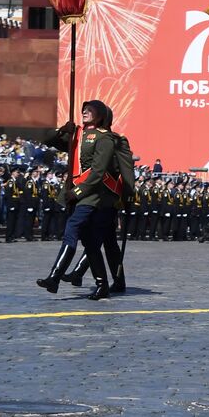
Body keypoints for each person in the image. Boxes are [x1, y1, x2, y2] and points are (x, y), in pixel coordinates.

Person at [36, 100, 132, 300]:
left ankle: (55, 277)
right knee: (93, 241)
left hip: (95, 196)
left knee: (77, 230)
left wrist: (78, 192)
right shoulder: (77, 134)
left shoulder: (105, 138)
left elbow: (98, 172)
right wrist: (62, 130)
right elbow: (48, 141)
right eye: (84, 109)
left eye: (90, 110)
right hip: (81, 194)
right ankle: (103, 283)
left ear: (101, 115)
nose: (85, 112)